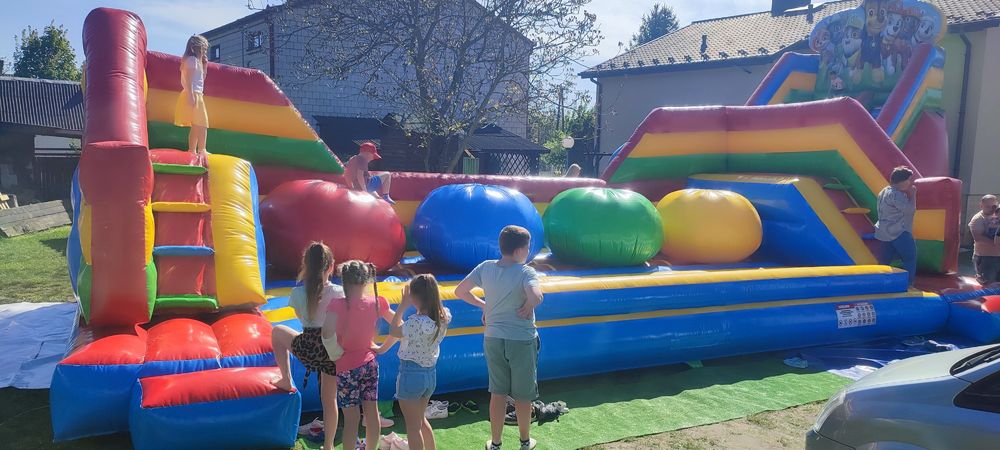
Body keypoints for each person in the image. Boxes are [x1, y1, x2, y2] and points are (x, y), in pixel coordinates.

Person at [455, 225, 544, 450]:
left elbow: (460, 291)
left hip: (493, 337)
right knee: (523, 395)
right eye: (527, 247)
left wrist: (484, 304)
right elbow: (537, 296)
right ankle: (525, 441)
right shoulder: (526, 272)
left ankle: (495, 443)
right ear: (520, 251)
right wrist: (528, 305)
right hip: (521, 339)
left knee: (498, 392)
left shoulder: (486, 267)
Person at [270, 242, 343, 450]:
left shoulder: (297, 293)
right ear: (331, 266)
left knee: (277, 332)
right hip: (330, 350)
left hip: (308, 347)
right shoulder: (338, 292)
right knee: (330, 401)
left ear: (306, 267)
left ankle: (285, 378)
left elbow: (302, 318)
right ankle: (328, 445)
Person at [375, 274, 450, 450]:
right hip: (429, 375)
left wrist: (401, 305)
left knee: (413, 427)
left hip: (411, 376)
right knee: (420, 421)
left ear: (415, 298)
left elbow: (394, 329)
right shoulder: (443, 316)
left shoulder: (415, 323)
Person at [327, 260, 396, 450]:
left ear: (343, 281)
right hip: (369, 363)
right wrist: (382, 348)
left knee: (351, 419)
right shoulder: (376, 302)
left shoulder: (336, 305)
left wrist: (335, 353)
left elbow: (326, 334)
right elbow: (400, 327)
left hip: (346, 367)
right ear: (366, 281)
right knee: (372, 413)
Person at [874, 166, 917, 284]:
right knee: (909, 259)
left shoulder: (883, 191)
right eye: (908, 180)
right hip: (898, 231)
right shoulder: (896, 194)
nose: (910, 182)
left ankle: (879, 283)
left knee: (884, 261)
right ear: (902, 181)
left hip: (884, 232)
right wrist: (913, 195)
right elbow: (910, 210)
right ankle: (908, 285)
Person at [175, 35, 210, 161]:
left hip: (197, 93)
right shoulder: (192, 60)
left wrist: (205, 66)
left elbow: (201, 79)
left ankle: (192, 150)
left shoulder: (196, 62)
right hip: (193, 93)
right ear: (194, 48)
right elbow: (189, 80)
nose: (205, 52)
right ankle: (202, 149)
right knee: (203, 124)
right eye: (203, 49)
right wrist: (190, 96)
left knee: (197, 125)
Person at [968, 194, 1000, 285]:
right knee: (987, 284)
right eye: (988, 206)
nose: (992, 209)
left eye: (994, 206)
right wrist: (996, 243)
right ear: (981, 206)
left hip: (997, 255)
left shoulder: (997, 215)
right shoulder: (977, 219)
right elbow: (978, 238)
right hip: (985, 257)